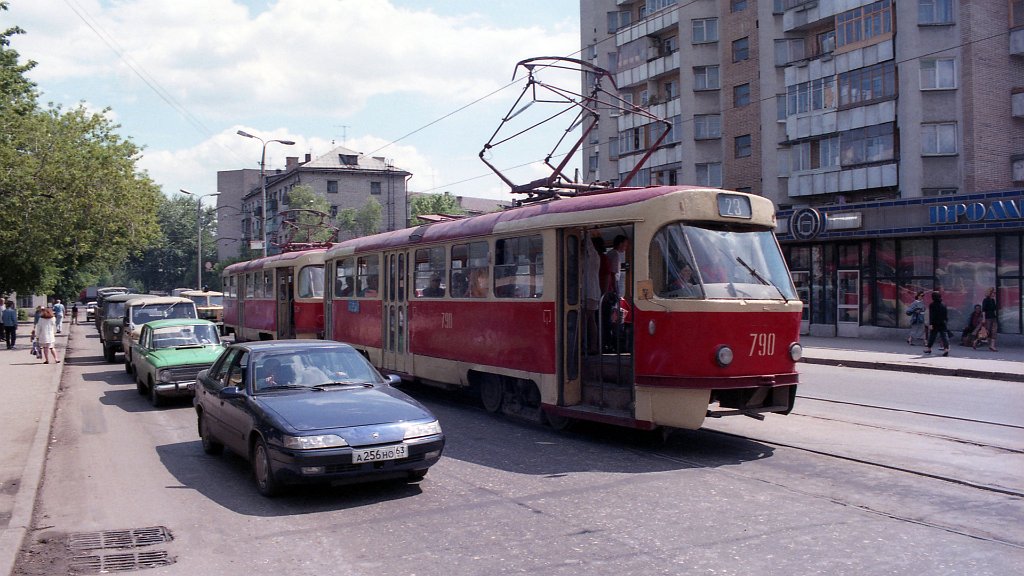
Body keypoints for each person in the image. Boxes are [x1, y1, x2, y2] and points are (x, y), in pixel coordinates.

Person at [924, 291, 949, 356]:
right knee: (944, 336)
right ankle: (946, 349)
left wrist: (931, 324)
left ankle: (929, 349)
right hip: (942, 322)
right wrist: (946, 321)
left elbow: (931, 315)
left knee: (932, 336)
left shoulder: (932, 305)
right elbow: (946, 314)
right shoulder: (943, 304)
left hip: (935, 323)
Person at [981, 287, 998, 351]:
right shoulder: (986, 300)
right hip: (988, 317)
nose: (995, 294)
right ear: (990, 293)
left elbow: (994, 309)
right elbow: (983, 310)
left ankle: (992, 346)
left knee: (994, 331)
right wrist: (983, 318)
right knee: (988, 331)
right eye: (994, 292)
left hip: (993, 317)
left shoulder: (993, 300)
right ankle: (978, 341)